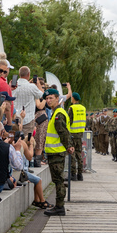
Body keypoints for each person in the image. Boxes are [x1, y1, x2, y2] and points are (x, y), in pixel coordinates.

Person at [42, 88, 74, 216]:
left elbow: (63, 132)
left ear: (57, 99)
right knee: (57, 180)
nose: (48, 100)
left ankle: (59, 207)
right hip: (54, 152)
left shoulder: (58, 114)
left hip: (57, 152)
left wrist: (68, 146)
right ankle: (59, 206)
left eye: (51, 98)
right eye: (47, 98)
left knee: (59, 180)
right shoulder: (56, 112)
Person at [67, 89, 86, 180]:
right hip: (80, 133)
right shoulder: (83, 108)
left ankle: (73, 174)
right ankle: (80, 174)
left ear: (73, 98)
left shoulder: (72, 108)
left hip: (72, 134)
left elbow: (69, 121)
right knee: (79, 154)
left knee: (72, 154)